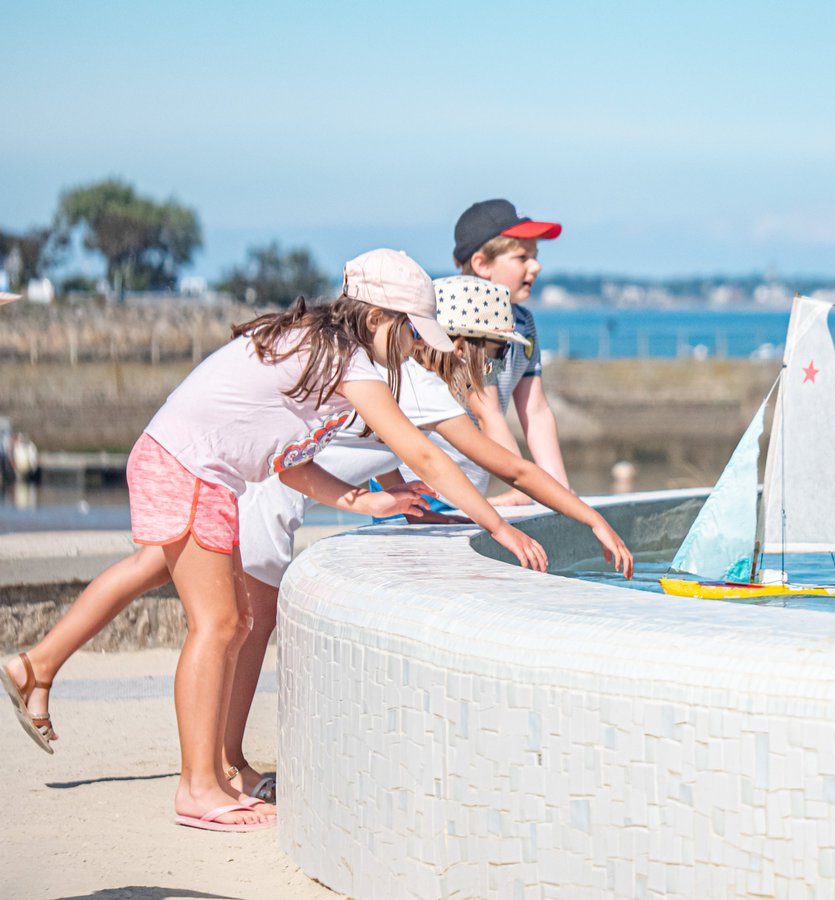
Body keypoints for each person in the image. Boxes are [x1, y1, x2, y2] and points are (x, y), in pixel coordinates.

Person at [0, 250, 547, 832]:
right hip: (192, 466)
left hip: (193, 463)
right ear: (381, 318)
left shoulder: (322, 345)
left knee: (217, 613)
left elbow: (292, 464)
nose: (416, 348)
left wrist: (366, 500)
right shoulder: (352, 363)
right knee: (219, 625)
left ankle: (48, 675)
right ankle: (198, 787)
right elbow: (421, 453)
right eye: (413, 333)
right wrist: (498, 525)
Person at [219, 275, 634, 801]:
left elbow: (364, 441)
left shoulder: (395, 374)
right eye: (494, 352)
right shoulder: (425, 388)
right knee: (246, 631)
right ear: (460, 346)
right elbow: (510, 468)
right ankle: (228, 765)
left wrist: (397, 494)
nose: (493, 368)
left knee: (230, 626)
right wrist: (580, 520)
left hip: (262, 488)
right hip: (264, 498)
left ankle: (224, 761)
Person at [452, 199, 568, 506]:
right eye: (522, 257)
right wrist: (525, 488)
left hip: (469, 483)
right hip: (421, 480)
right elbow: (485, 410)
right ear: (482, 265)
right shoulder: (463, 323)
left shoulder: (523, 323)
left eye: (535, 256)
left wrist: (560, 490)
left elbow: (536, 410)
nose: (536, 265)